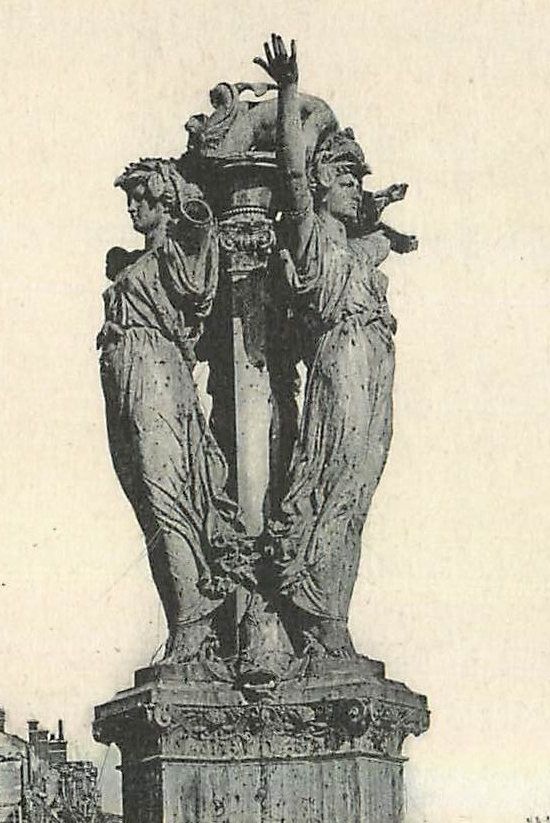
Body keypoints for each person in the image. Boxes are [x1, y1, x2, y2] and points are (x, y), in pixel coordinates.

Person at [253, 35, 412, 657]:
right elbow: (292, 173)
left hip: (373, 365)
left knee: (358, 490)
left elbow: (374, 232)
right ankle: (316, 615)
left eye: (359, 179)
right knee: (333, 480)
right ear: (320, 182)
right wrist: (290, 92)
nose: (355, 186)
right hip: (341, 362)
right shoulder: (311, 230)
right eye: (344, 175)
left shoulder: (356, 246)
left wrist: (386, 232)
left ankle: (331, 615)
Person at [99, 158, 252, 663]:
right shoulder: (137, 262)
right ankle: (183, 618)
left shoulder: (173, 255)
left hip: (158, 379)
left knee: (170, 497)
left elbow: (200, 264)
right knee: (148, 500)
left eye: (142, 197)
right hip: (127, 382)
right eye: (130, 198)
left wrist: (193, 217)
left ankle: (194, 623)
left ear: (164, 199)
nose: (133, 206)